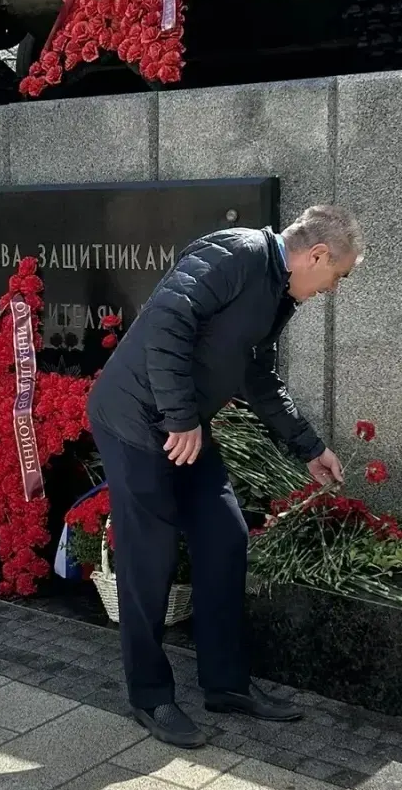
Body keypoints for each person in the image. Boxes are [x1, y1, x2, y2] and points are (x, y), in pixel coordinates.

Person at [87, 203, 365, 748]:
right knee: (149, 557)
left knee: (225, 536)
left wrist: (309, 447)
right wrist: (180, 417)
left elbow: (257, 375)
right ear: (317, 255)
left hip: (180, 426)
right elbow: (166, 322)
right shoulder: (236, 253)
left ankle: (226, 684)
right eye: (339, 275)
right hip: (135, 421)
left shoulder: (278, 292)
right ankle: (150, 695)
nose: (334, 289)